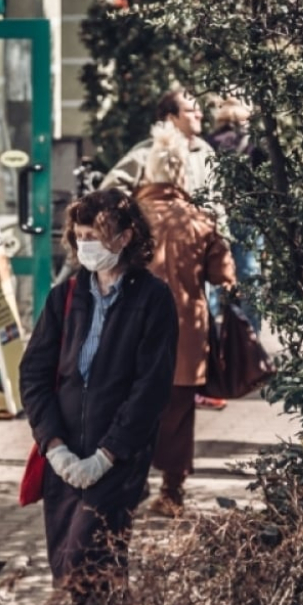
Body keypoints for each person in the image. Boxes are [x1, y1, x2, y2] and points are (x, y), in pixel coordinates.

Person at [20, 189, 177, 605]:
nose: (85, 242)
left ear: (126, 237)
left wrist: (107, 455)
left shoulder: (152, 299)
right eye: (81, 233)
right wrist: (54, 447)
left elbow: (151, 387)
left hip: (117, 459)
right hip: (65, 456)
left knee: (86, 558)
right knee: (71, 569)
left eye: (97, 234)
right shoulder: (65, 298)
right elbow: (34, 375)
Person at [99, 89, 229, 410]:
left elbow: (218, 202)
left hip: (197, 251)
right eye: (190, 110)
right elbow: (110, 191)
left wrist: (219, 234)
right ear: (171, 117)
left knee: (192, 324)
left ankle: (190, 388)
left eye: (199, 110)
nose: (199, 115)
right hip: (152, 255)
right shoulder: (145, 153)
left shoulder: (205, 152)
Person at [134, 122, 236, 517]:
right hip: (186, 335)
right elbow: (223, 278)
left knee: (132, 409)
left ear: (150, 171)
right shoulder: (200, 219)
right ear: (181, 174)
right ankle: (171, 493)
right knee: (176, 416)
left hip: (134, 334)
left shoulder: (129, 218)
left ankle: (131, 483)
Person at [207, 97, 265, 334]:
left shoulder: (209, 143)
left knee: (214, 278)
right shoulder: (254, 144)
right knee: (250, 278)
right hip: (248, 218)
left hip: (217, 216)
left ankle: (211, 339)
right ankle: (253, 340)